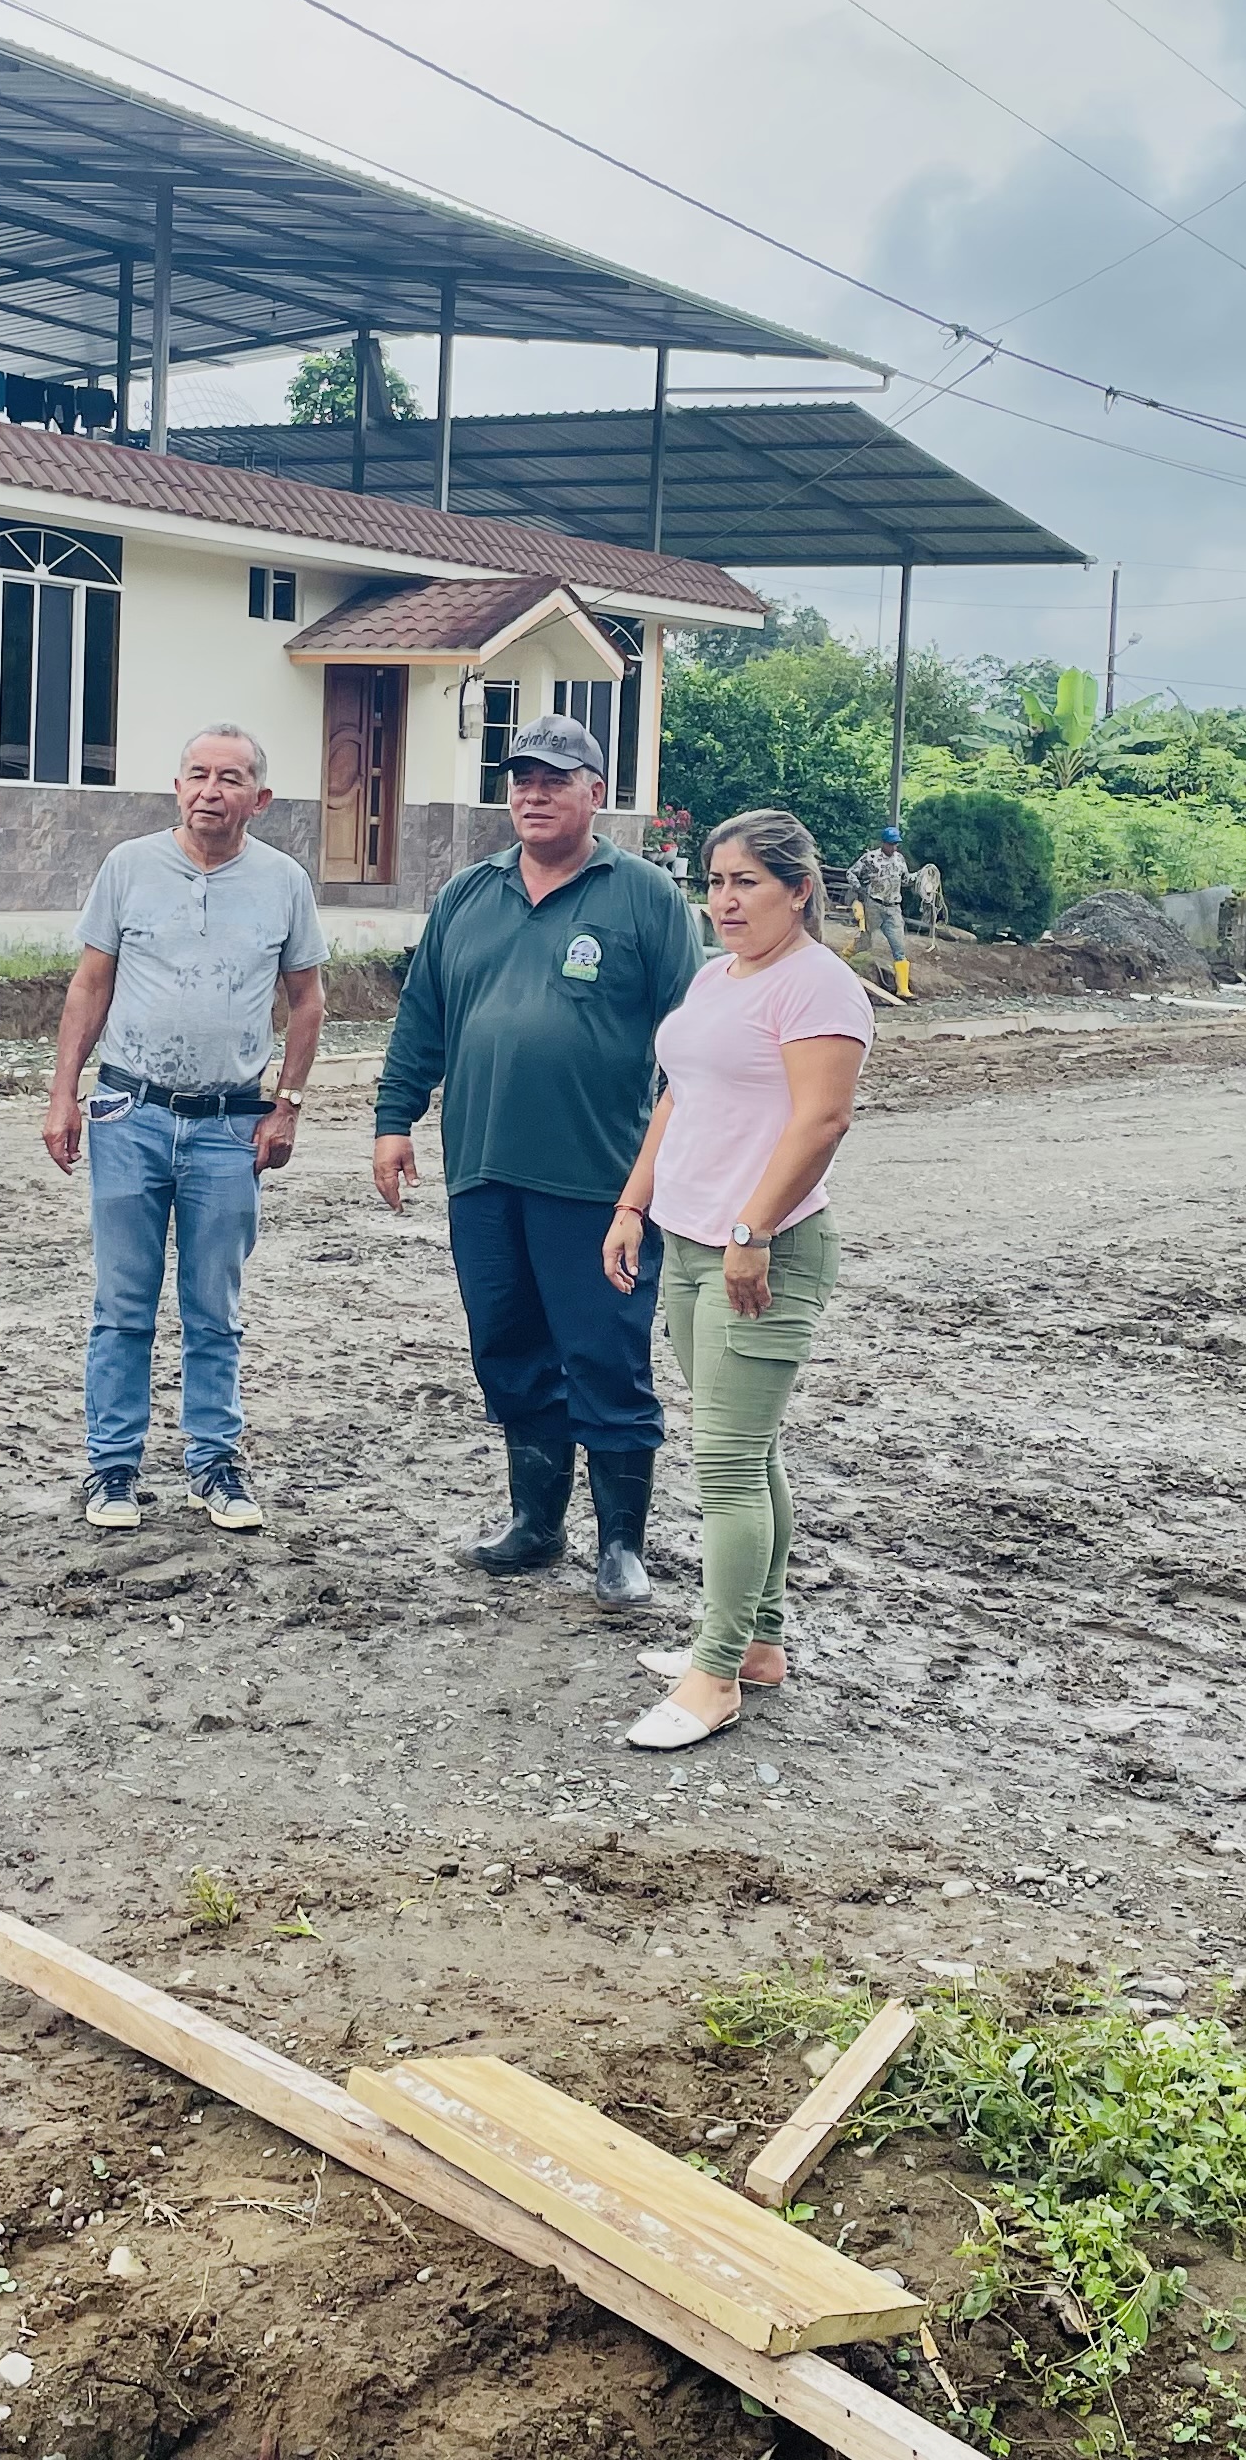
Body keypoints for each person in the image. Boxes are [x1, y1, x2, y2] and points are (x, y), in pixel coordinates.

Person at [372, 713, 695, 1605]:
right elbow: (422, 1019)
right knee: (508, 1345)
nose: (534, 794)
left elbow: (693, 1039)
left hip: (599, 1179)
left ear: (596, 792)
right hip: (483, 1171)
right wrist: (394, 1119)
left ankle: (622, 1546)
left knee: (606, 1355)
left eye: (555, 780)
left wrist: (678, 1162)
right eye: (522, 779)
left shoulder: (644, 898)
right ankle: (536, 1523)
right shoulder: (467, 896)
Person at [606, 807, 869, 1751]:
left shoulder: (819, 987)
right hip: (686, 1242)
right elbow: (679, 1097)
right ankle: (758, 1646)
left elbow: (821, 1121)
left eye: (746, 882)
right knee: (748, 1455)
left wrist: (752, 1229)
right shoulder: (717, 978)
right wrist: (633, 1203)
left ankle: (713, 1675)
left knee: (724, 1463)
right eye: (715, 882)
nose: (724, 900)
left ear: (798, 891)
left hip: (763, 1250)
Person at [44, 725, 325, 1535]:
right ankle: (113, 1468)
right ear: (177, 787)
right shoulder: (129, 867)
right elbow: (89, 985)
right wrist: (62, 1095)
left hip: (230, 1126)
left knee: (214, 1305)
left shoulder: (283, 882)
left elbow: (307, 1000)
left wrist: (287, 1104)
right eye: (198, 775)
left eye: (230, 778)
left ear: (258, 799)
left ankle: (214, 1463)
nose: (211, 791)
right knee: (122, 1303)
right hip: (129, 1114)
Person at [848, 830, 909, 976]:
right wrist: (859, 888)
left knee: (899, 947)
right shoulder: (870, 858)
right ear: (883, 843)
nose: (893, 847)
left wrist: (920, 878)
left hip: (893, 907)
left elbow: (905, 880)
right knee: (865, 939)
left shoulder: (899, 859)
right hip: (874, 905)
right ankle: (845, 957)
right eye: (890, 844)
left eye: (895, 844)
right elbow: (851, 873)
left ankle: (903, 986)